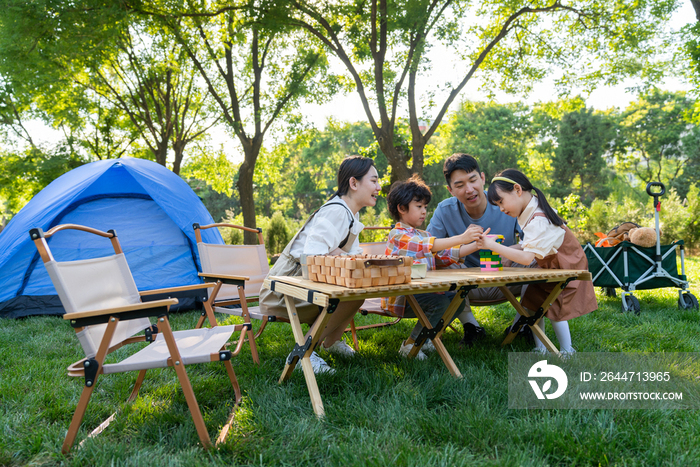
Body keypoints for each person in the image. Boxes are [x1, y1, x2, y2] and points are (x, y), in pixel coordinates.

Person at [258, 156, 381, 374]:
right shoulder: (335, 211)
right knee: (346, 296)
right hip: (283, 290)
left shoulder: (351, 214)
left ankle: (331, 343)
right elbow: (311, 258)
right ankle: (304, 351)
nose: (379, 187)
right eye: (373, 181)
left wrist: (343, 255)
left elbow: (353, 255)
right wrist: (339, 254)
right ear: (354, 183)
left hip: (306, 284)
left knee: (357, 293)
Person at [477, 169, 597, 354]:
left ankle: (567, 350)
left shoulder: (538, 219)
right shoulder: (530, 213)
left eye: (501, 201)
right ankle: (540, 347)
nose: (501, 208)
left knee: (555, 306)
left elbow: (526, 258)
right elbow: (527, 246)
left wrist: (493, 246)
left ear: (517, 190)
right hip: (550, 264)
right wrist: (507, 256)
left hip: (566, 264)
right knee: (533, 300)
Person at [426, 153, 527, 346]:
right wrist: (462, 241)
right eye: (460, 185)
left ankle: (521, 325)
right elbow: (429, 247)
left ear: (482, 178)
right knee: (439, 264)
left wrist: (507, 251)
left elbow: (533, 242)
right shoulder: (444, 210)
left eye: (473, 180)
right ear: (450, 190)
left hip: (507, 278)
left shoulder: (506, 202)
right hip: (465, 285)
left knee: (537, 260)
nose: (469, 189)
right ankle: (472, 326)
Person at [383, 175, 481, 359]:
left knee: (457, 300)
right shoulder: (398, 235)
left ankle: (426, 338)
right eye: (419, 207)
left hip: (423, 294)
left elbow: (444, 255)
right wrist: (462, 238)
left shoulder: (422, 234)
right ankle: (410, 344)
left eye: (425, 207)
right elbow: (425, 247)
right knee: (442, 302)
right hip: (402, 298)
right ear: (402, 209)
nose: (424, 212)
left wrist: (476, 245)